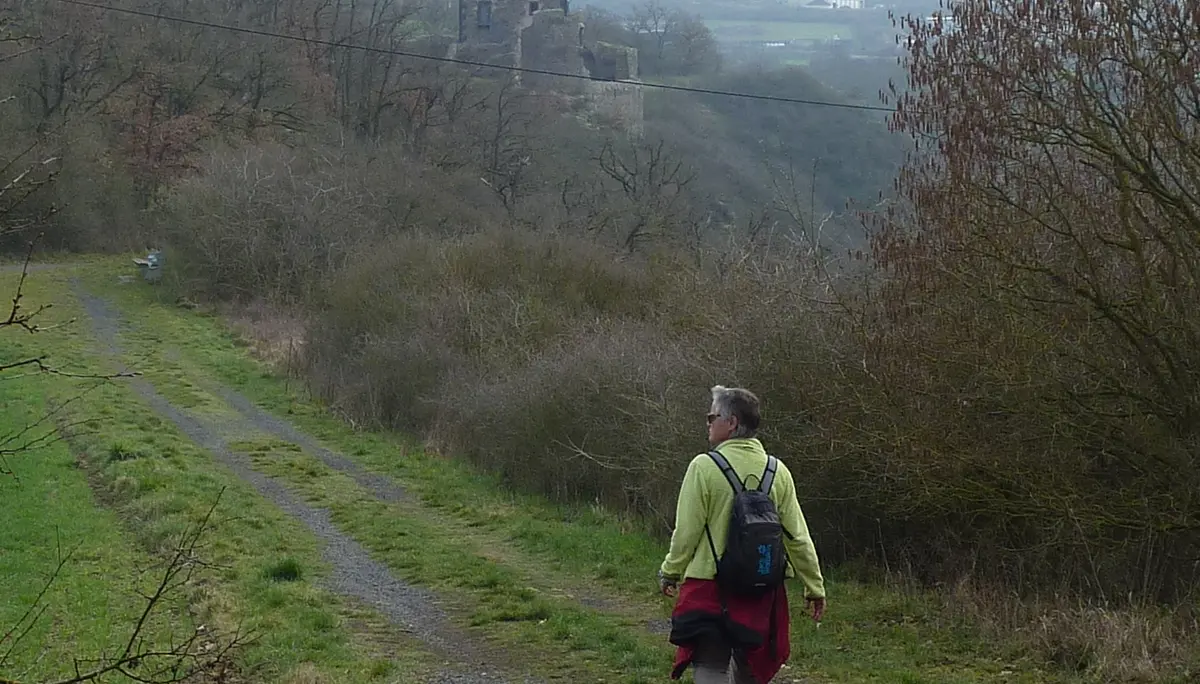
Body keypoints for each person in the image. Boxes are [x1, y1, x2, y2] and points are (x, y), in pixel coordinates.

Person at [658, 385, 826, 684]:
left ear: (732, 422)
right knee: (751, 670)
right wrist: (814, 586)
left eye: (712, 417)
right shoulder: (778, 471)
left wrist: (670, 571)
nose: (707, 423)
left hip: (710, 588)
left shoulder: (703, 467)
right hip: (761, 589)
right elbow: (797, 537)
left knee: (711, 667)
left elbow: (687, 532)